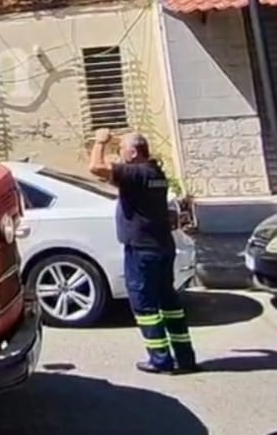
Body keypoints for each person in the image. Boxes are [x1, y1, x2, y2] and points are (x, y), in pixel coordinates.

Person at [88, 129, 198, 375]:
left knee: (145, 305)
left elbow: (95, 168)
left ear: (134, 152)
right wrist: (117, 145)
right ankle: (185, 357)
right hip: (161, 246)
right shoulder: (154, 172)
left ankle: (160, 360)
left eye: (122, 150)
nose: (119, 154)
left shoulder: (136, 173)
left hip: (142, 251)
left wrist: (100, 141)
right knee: (168, 301)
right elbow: (111, 173)